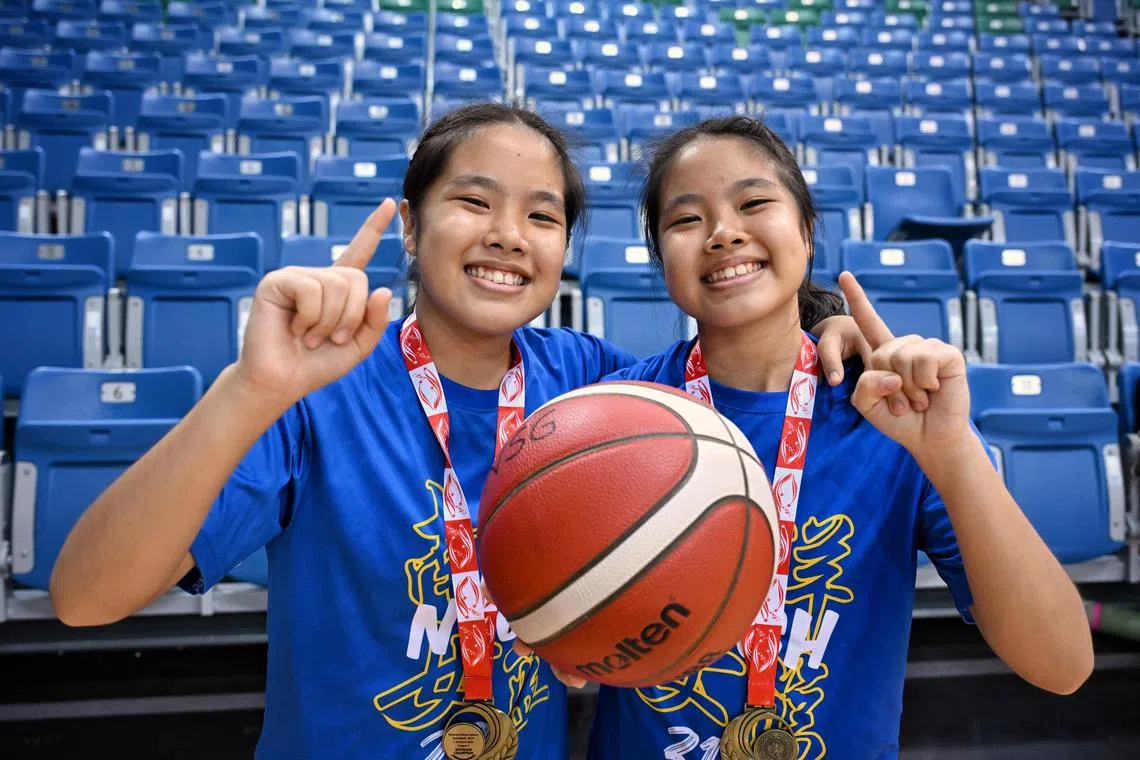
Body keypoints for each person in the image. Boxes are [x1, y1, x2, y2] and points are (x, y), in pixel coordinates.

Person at [48, 104, 865, 759]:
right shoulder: (319, 391)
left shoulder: (595, 389)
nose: (508, 233)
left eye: (542, 216)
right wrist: (248, 390)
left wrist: (833, 326)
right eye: (473, 202)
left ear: (562, 250)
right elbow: (85, 599)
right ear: (409, 226)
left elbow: (740, 362)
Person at [583, 116, 1094, 759]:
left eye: (753, 202)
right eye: (686, 220)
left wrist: (952, 451)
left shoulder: (894, 419)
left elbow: (1063, 663)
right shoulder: (614, 420)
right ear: (661, 260)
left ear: (805, 230)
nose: (723, 232)